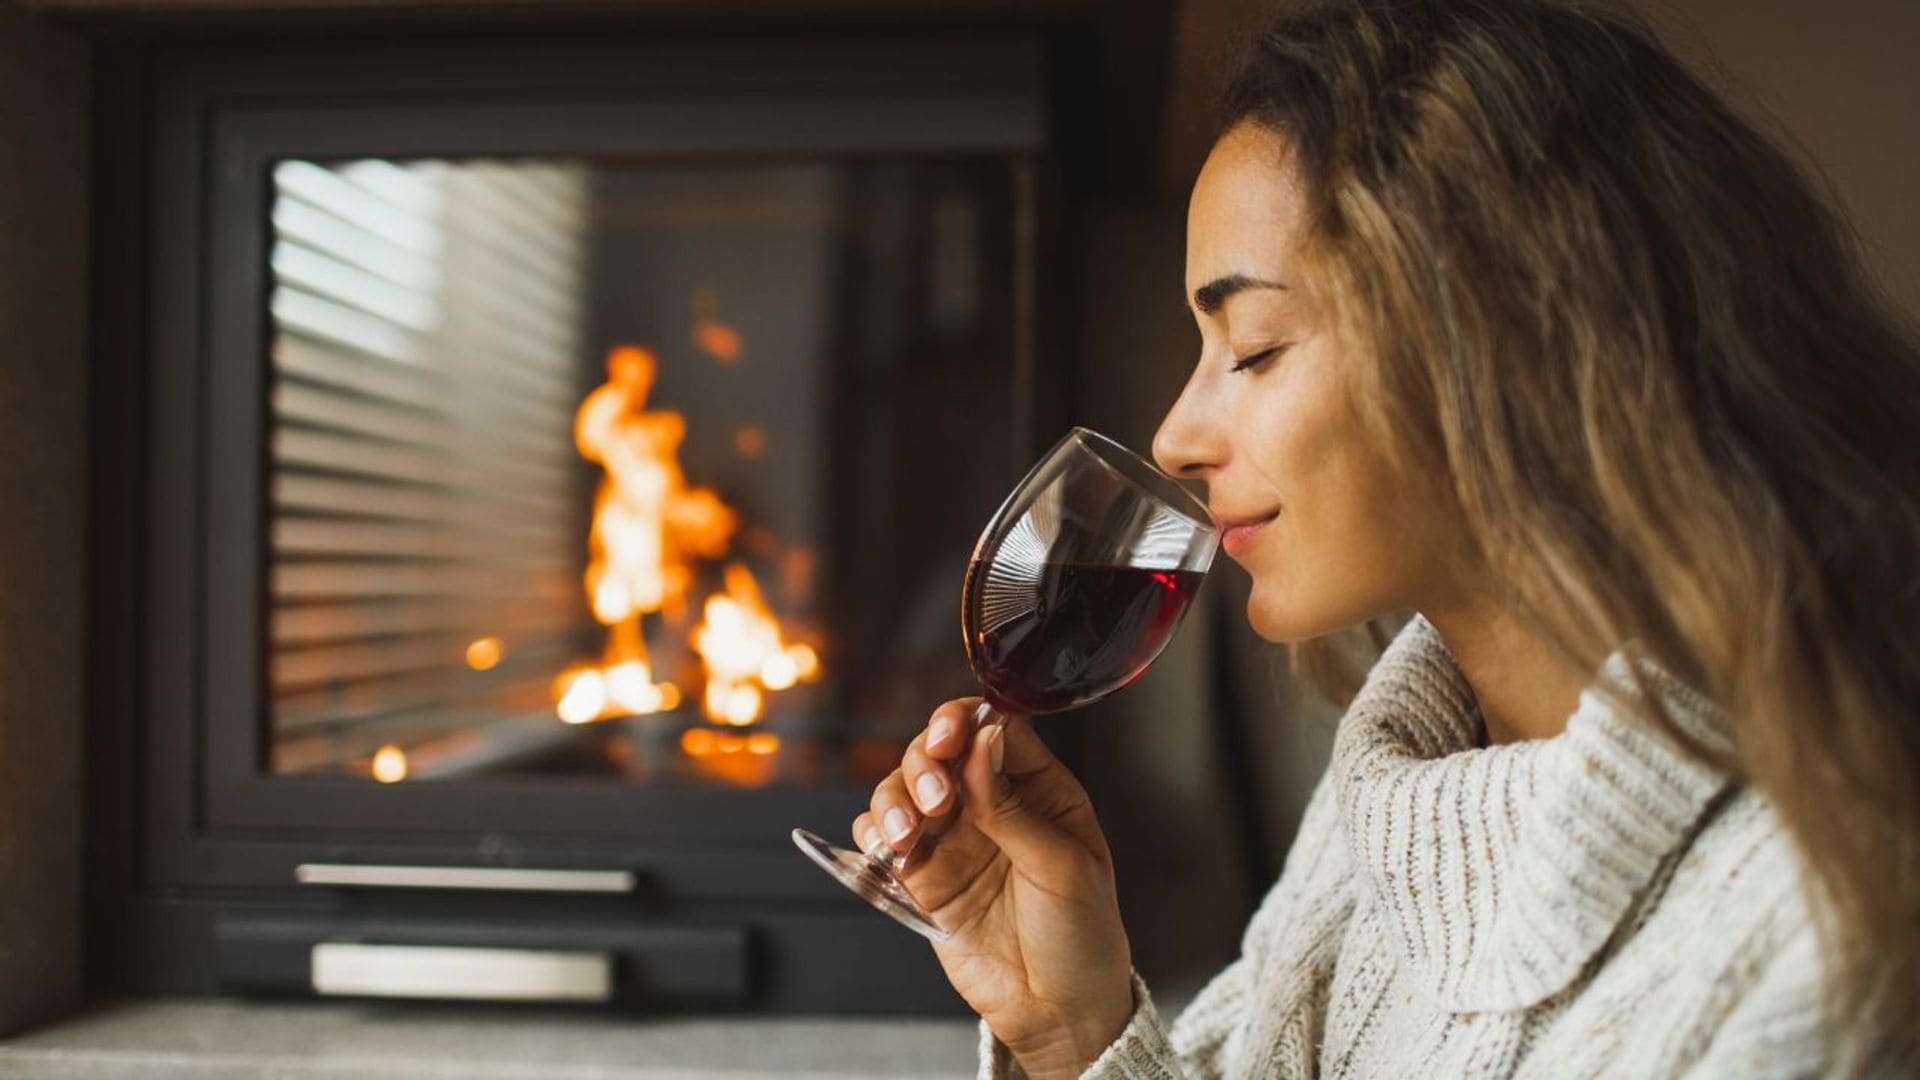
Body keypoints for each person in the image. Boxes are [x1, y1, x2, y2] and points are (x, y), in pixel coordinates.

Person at [851, 0, 1920, 1075]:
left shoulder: (1819, 922)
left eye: (1255, 346)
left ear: (1505, 337)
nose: (1174, 435)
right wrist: (1070, 1028)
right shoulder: (1396, 795)